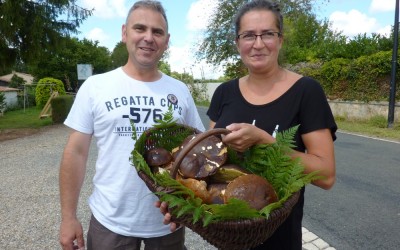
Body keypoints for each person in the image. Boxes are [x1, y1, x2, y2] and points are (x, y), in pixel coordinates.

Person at [159, 0, 336, 249]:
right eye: (249, 35)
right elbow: (209, 169)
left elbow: (326, 175)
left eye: (268, 34)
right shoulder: (224, 92)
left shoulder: (306, 91)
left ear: (281, 39)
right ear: (237, 43)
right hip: (229, 238)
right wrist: (183, 204)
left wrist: (267, 142)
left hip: (280, 238)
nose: (258, 43)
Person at [58, 1, 205, 250]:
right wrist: (68, 217)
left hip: (167, 221)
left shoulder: (180, 91)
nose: (148, 38)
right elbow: (76, 153)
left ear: (166, 41)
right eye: (140, 28)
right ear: (125, 33)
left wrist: (190, 204)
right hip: (111, 221)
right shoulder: (96, 87)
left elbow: (197, 150)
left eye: (157, 32)